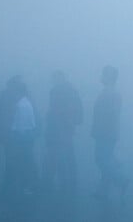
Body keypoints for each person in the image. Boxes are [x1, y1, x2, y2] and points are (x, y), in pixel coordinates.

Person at [43, 71, 83, 194]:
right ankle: (70, 180)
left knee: (58, 154)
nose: (53, 81)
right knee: (67, 154)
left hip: (59, 128)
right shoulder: (72, 90)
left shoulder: (58, 91)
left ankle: (59, 181)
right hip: (67, 127)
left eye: (54, 78)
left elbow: (55, 110)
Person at [91, 65, 127, 200]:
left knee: (101, 159)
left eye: (104, 74)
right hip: (106, 132)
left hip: (105, 133)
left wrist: (99, 130)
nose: (101, 76)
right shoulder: (108, 92)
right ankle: (103, 190)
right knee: (105, 159)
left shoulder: (111, 93)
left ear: (109, 77)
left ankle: (121, 180)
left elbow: (111, 114)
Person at [2, 76, 38, 196]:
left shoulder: (21, 105)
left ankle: (28, 186)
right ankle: (27, 185)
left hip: (23, 137)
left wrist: (13, 134)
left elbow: (19, 125)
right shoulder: (26, 102)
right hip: (27, 136)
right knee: (27, 161)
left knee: (25, 162)